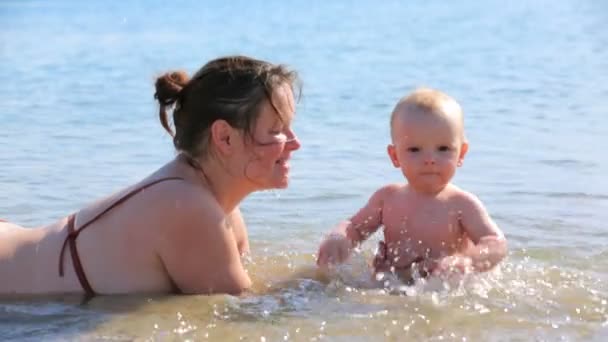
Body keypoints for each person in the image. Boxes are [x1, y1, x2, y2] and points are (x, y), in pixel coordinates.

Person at [0, 56, 301, 297]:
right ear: (224, 138)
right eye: (276, 130)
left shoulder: (221, 209)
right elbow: (248, 316)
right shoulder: (190, 208)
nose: (295, 142)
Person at [316, 88, 507, 284]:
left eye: (443, 149)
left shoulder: (461, 204)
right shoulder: (387, 198)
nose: (430, 159)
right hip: (389, 285)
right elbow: (355, 228)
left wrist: (466, 261)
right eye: (414, 149)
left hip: (440, 291)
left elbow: (495, 243)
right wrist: (339, 236)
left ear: (462, 153)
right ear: (395, 156)